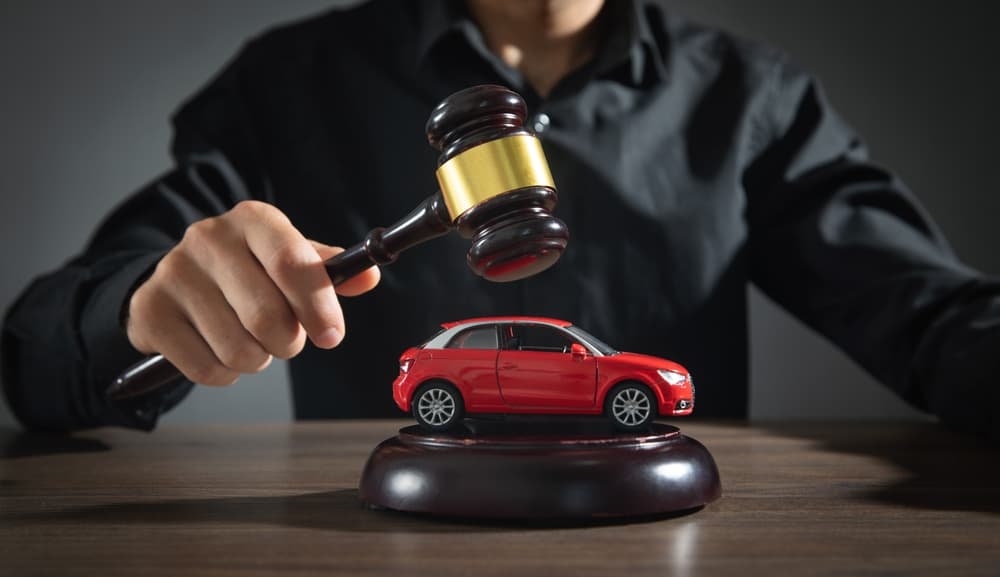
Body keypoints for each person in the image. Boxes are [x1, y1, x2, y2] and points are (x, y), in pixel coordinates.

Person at [3, 0, 998, 439]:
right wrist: (139, 311)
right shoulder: (288, 84)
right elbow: (38, 360)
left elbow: (929, 314)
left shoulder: (752, 99)